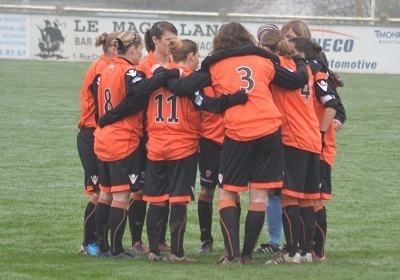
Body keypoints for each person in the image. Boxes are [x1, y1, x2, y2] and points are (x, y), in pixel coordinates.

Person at [199, 22, 309, 265]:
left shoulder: (214, 64)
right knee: (258, 195)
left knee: (228, 191)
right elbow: (293, 81)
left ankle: (233, 255)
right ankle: (247, 255)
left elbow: (195, 90)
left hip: (238, 131)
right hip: (270, 128)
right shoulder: (263, 60)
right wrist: (302, 61)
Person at [93, 30, 180, 259]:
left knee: (105, 195)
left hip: (103, 139)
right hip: (123, 140)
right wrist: (160, 77)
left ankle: (102, 246)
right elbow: (136, 95)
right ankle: (116, 249)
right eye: (140, 50)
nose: (141, 54)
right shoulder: (128, 70)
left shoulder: (107, 68)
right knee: (121, 196)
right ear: (131, 49)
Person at [257, 28, 338, 264]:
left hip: (291, 138)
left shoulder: (276, 66)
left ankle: (291, 252)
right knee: (307, 199)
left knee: (288, 197)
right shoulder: (309, 69)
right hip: (312, 137)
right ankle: (306, 252)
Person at [281, 20, 346, 261]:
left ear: (302, 40)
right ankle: (304, 249)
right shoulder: (304, 67)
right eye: (284, 37)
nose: (286, 42)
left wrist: (321, 131)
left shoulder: (315, 67)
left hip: (315, 143)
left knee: (314, 199)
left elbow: (335, 106)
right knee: (304, 197)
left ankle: (314, 251)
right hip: (306, 140)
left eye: (290, 37)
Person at [77, 31, 119, 256]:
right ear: (114, 49)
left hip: (102, 134)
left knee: (108, 191)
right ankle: (88, 243)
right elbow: (105, 107)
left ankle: (101, 242)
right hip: (92, 134)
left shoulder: (107, 67)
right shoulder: (102, 69)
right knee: (98, 193)